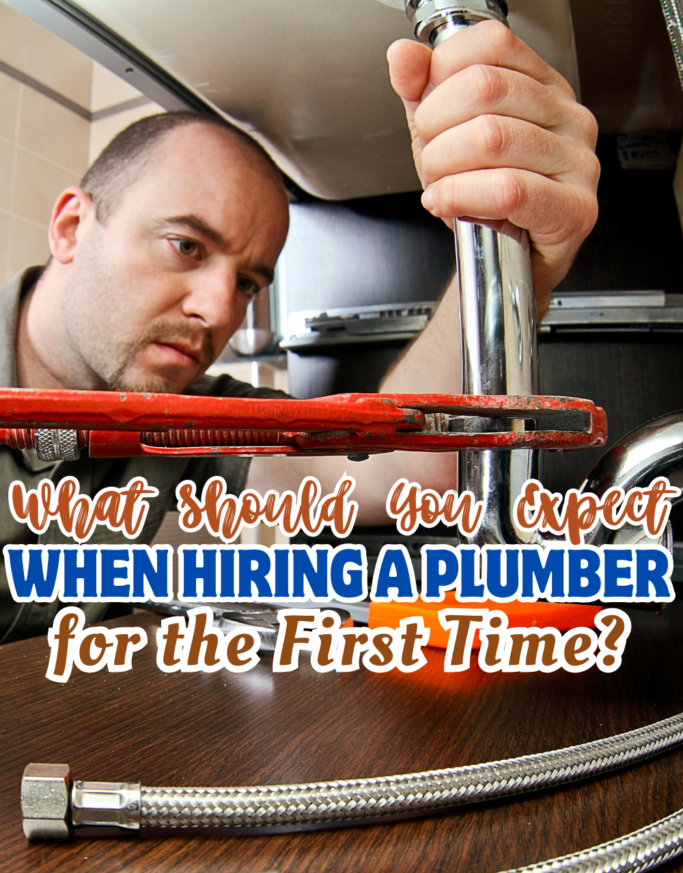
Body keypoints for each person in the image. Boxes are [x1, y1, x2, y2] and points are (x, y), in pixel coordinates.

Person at [0, 21, 599, 642]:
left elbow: (396, 471)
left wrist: (515, 259)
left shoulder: (187, 417)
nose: (218, 311)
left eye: (247, 284)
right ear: (71, 228)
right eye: (186, 245)